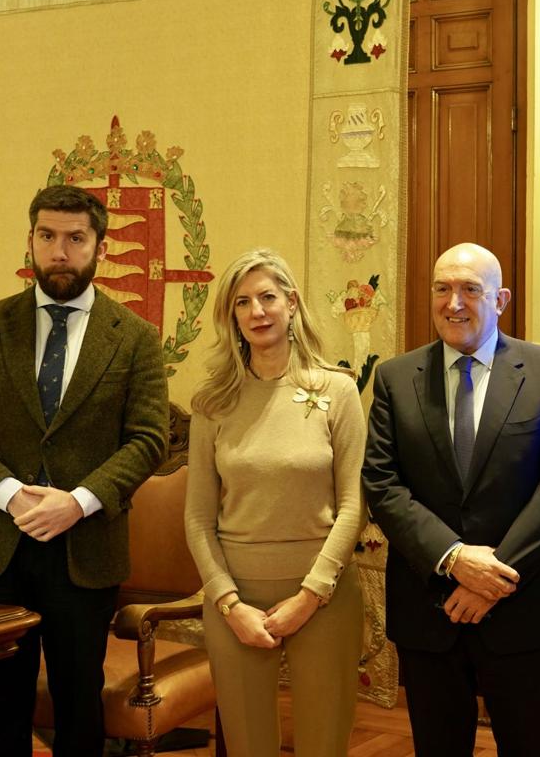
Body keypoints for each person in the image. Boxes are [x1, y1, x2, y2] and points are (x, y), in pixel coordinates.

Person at [0, 184, 169, 756]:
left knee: (78, 708)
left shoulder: (135, 339)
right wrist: (11, 495)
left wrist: (79, 500)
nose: (59, 251)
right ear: (31, 240)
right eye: (47, 236)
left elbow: (148, 440)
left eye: (75, 238)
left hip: (84, 550)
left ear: (100, 249)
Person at [362, 242, 540, 757]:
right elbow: (381, 482)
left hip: (524, 607)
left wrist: (494, 576)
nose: (454, 303)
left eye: (470, 289)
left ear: (501, 299)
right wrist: (455, 559)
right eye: (442, 288)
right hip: (429, 607)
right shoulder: (396, 379)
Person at [185, 249, 366, 757]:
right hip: (235, 601)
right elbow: (198, 518)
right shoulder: (212, 402)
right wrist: (228, 603)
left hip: (324, 597)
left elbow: (354, 504)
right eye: (242, 302)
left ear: (291, 304)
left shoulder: (338, 390)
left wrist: (311, 595)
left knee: (324, 744)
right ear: (232, 317)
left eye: (267, 297)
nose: (257, 311)